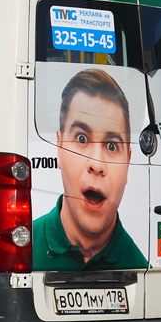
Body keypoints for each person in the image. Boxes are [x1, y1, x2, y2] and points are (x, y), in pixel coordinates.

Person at [32, 68, 146, 271]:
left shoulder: (141, 269)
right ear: (59, 147)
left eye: (112, 146)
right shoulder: (21, 253)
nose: (96, 164)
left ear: (128, 163)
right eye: (82, 138)